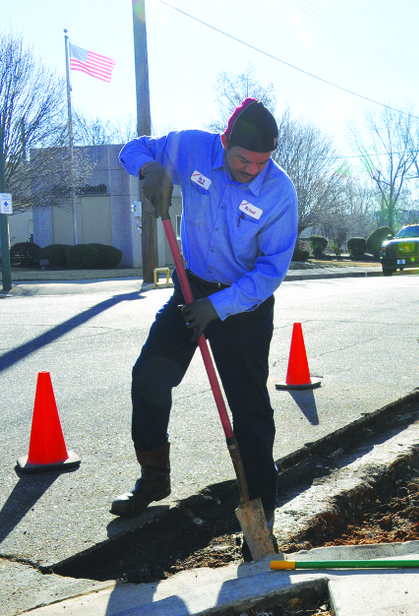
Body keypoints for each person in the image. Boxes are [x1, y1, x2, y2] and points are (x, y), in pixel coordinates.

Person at [111, 99, 298, 550]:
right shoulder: (193, 149)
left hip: (243, 304)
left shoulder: (279, 192)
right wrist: (149, 170)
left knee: (250, 408)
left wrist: (220, 307)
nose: (252, 170)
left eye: (261, 162)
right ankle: (154, 479)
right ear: (224, 143)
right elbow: (134, 148)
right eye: (242, 160)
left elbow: (271, 270)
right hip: (191, 287)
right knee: (149, 377)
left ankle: (261, 511)